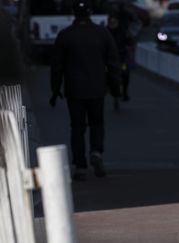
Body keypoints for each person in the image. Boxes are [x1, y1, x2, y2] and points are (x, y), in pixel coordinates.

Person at [50, 0, 121, 180]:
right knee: (97, 123)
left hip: (74, 89)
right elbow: (113, 63)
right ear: (90, 12)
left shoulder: (65, 35)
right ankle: (96, 152)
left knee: (77, 127)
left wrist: (54, 89)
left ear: (74, 13)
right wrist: (115, 87)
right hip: (97, 88)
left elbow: (57, 66)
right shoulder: (102, 34)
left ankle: (80, 165)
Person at [107, 14, 134, 102]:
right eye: (111, 22)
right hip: (109, 60)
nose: (113, 24)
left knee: (125, 73)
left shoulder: (123, 32)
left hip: (122, 58)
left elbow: (129, 41)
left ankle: (125, 93)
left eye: (114, 22)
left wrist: (129, 46)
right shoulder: (105, 32)